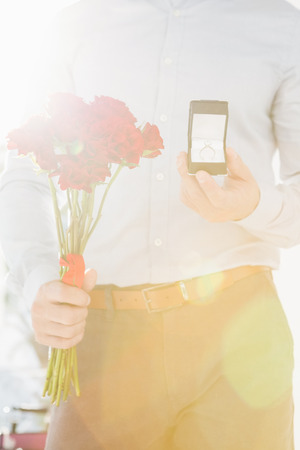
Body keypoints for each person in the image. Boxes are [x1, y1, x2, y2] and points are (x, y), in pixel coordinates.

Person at [0, 0, 299, 448]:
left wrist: (251, 205)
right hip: (100, 337)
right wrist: (39, 281)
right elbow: (25, 173)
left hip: (241, 338)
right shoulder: (76, 22)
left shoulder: (284, 25)